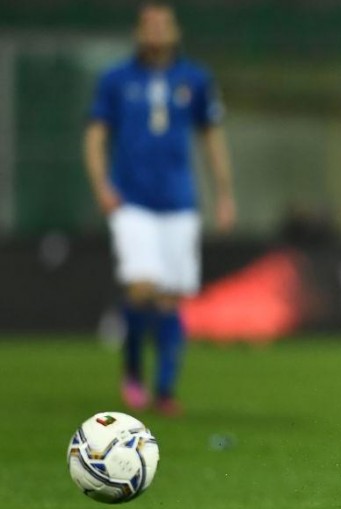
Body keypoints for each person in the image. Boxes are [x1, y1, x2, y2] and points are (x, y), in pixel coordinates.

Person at [84, 2, 236, 416]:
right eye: (148, 24)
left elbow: (211, 138)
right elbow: (96, 135)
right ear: (137, 31)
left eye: (162, 23)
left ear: (175, 30)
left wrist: (224, 193)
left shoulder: (196, 79)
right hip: (131, 201)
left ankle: (165, 391)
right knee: (141, 287)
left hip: (179, 202)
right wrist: (101, 185)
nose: (155, 30)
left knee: (170, 299)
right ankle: (133, 371)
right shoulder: (115, 79)